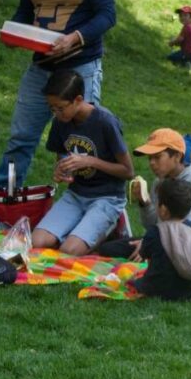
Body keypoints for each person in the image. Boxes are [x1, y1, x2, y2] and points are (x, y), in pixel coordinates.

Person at [0, 0, 116, 188]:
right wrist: (14, 32)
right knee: (20, 138)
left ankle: (86, 199)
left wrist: (75, 38)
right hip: (41, 68)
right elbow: (24, 13)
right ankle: (5, 198)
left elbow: (107, 15)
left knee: (81, 141)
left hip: (80, 68)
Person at [32, 70, 133, 255]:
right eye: (51, 108)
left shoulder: (105, 122)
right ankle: (81, 228)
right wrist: (62, 170)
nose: (56, 113)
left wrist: (92, 161)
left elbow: (128, 171)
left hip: (107, 198)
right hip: (76, 195)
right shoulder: (60, 121)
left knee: (69, 251)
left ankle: (112, 225)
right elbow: (62, 156)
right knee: (37, 242)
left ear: (78, 100)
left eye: (60, 108)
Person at [96, 128, 191, 259]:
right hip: (161, 236)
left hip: (187, 244)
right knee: (108, 249)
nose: (152, 163)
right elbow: (151, 224)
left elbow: (183, 228)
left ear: (177, 156)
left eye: (157, 157)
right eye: (150, 158)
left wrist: (150, 243)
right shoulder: (159, 181)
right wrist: (145, 202)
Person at [129, 178, 191, 301]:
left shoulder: (155, 232)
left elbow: (144, 254)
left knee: (136, 282)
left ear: (163, 210)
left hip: (161, 290)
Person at [167, 6, 191, 70]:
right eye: (180, 16)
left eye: (185, 15)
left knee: (170, 57)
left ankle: (185, 64)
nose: (182, 17)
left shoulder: (187, 27)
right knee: (186, 56)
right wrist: (176, 42)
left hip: (188, 52)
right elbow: (183, 41)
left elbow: (179, 39)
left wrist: (172, 42)